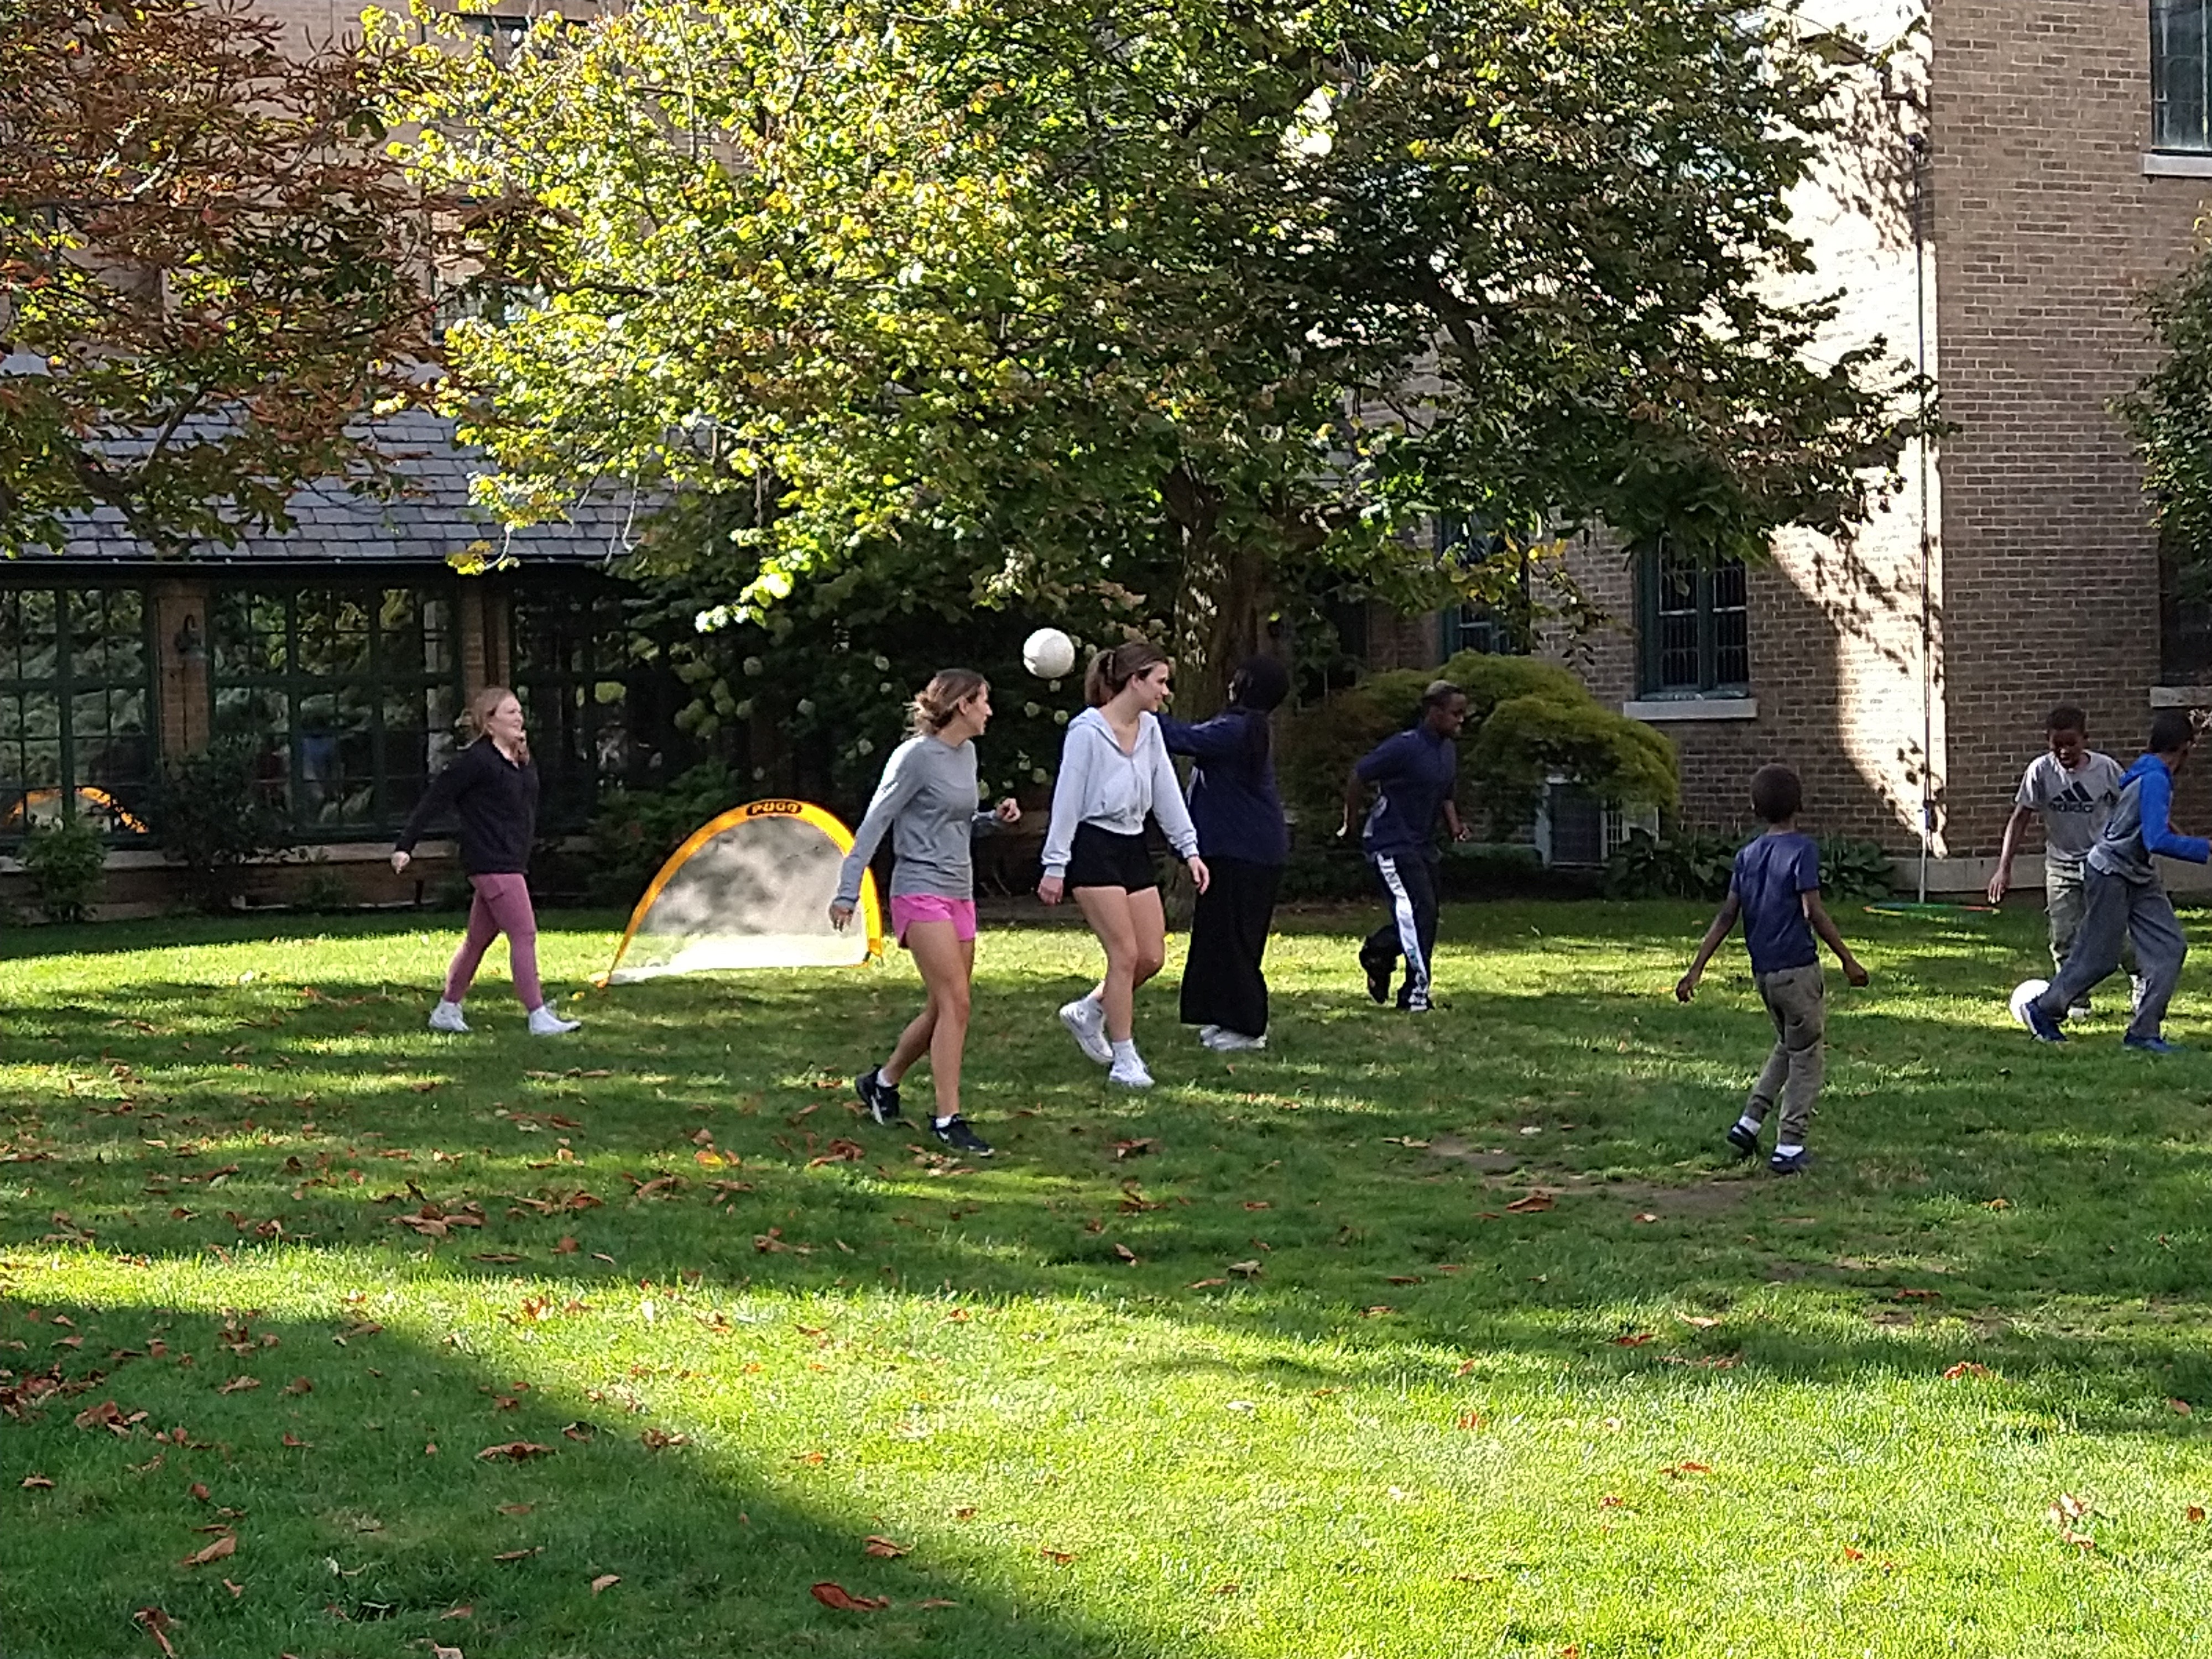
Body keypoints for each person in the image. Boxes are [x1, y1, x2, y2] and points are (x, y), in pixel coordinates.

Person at [831, 669, 1019, 1157]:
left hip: (959, 892)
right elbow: (877, 823)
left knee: (944, 1007)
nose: (989, 712)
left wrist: (991, 821)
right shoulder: (914, 757)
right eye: (983, 702)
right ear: (961, 706)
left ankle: (883, 1081)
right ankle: (947, 1118)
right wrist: (848, 890)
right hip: (918, 891)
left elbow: (950, 822)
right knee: (957, 1002)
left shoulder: (967, 754)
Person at [1676, 764, 1869, 1175]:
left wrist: (1696, 970)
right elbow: (1813, 911)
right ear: (1800, 805)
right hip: (1798, 970)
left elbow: (1728, 916)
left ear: (1754, 807)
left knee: (1789, 1045)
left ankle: (1749, 1123)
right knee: (1808, 1058)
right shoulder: (1802, 851)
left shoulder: (1747, 856)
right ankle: (1789, 1146)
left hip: (1764, 974)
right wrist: (1847, 960)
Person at [1039, 641, 1210, 1089]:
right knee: (1124, 953)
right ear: (1134, 681)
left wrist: (1189, 848)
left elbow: (1166, 792)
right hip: (1093, 846)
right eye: (1160, 682)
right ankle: (1125, 1059)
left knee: (1151, 956)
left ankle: (1090, 1009)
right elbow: (1067, 800)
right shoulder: (1086, 731)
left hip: (1133, 843)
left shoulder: (1150, 730)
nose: (1165, 692)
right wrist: (1055, 864)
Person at [392, 686, 581, 1037]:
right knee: (524, 934)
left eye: (520, 711)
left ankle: (447, 1010)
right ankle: (537, 1015)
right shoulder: (476, 761)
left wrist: (520, 753)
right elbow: (435, 799)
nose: (519, 717)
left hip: (511, 860)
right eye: (510, 712)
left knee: (478, 939)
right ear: (489, 722)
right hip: (492, 863)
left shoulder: (520, 758)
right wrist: (406, 845)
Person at [2016, 708, 2208, 1052]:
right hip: (2110, 871)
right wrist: (2206, 848)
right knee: (2100, 956)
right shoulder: (2154, 779)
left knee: (2170, 948)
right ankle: (2043, 1009)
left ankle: (2143, 1033)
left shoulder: (2145, 772)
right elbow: (2156, 839)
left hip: (2138, 874)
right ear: (2185, 748)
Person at [1159, 655, 1291, 1051]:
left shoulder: (1236, 729)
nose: (1230, 684)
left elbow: (1183, 738)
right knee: (1219, 935)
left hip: (1245, 850)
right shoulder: (1243, 728)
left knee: (1236, 938)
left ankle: (1249, 1027)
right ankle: (1225, 1016)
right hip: (1238, 848)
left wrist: (1135, 710)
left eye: (1238, 679)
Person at [1987, 704, 2135, 1015]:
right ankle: (2075, 1001)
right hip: (2061, 865)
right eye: (2058, 745)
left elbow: (2132, 808)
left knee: (2111, 933)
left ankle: (2141, 979)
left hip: (2101, 863)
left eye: (2072, 743)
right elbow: (2020, 818)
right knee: (2064, 936)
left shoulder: (2106, 769)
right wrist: (2004, 868)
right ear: (2048, 741)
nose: (2065, 751)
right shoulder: (2040, 771)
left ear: (2085, 739)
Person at [1341, 680, 1473, 1013]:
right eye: (1456, 714)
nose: (1462, 721)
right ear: (1433, 712)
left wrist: (1455, 825)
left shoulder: (1447, 750)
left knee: (1426, 915)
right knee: (1418, 914)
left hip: (1423, 844)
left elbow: (1445, 793)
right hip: (1390, 843)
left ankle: (1380, 952)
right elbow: (1359, 775)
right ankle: (1415, 995)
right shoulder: (1405, 747)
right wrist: (1350, 822)